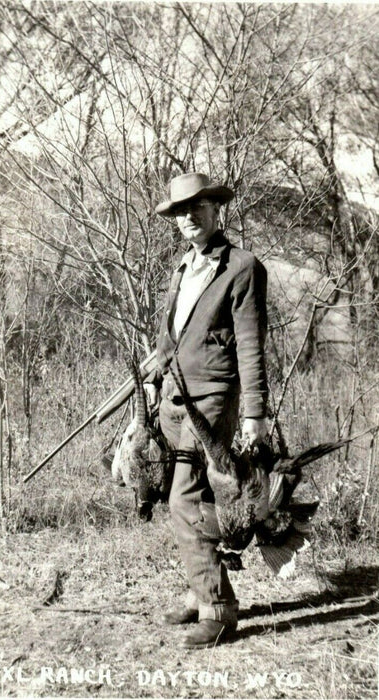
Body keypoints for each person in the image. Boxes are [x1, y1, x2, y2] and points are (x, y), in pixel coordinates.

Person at [145, 172, 268, 648]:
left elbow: (253, 347)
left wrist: (254, 413)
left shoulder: (241, 267)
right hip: (174, 396)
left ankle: (219, 610)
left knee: (185, 498)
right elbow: (169, 338)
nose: (189, 217)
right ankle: (202, 593)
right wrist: (153, 382)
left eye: (199, 207)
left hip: (213, 400)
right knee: (185, 499)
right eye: (181, 211)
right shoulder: (182, 268)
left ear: (217, 209)